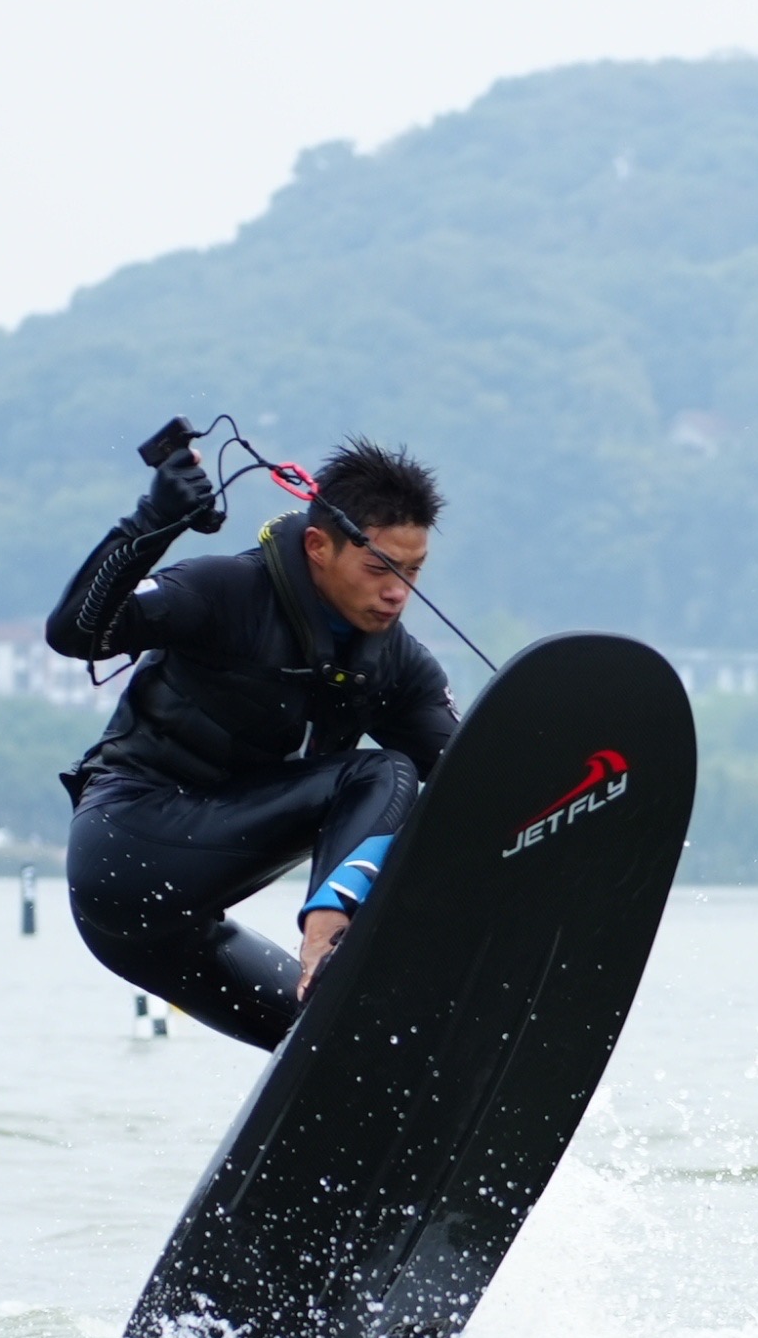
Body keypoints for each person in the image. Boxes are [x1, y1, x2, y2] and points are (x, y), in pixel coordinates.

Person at [47, 433, 464, 1050]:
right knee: (382, 772)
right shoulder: (224, 592)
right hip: (126, 857)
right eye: (380, 568)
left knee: (347, 1043)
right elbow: (75, 631)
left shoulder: (396, 666)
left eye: (413, 571)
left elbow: (476, 783)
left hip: (179, 932)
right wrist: (153, 519)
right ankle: (327, 940)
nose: (398, 591)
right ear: (318, 547)